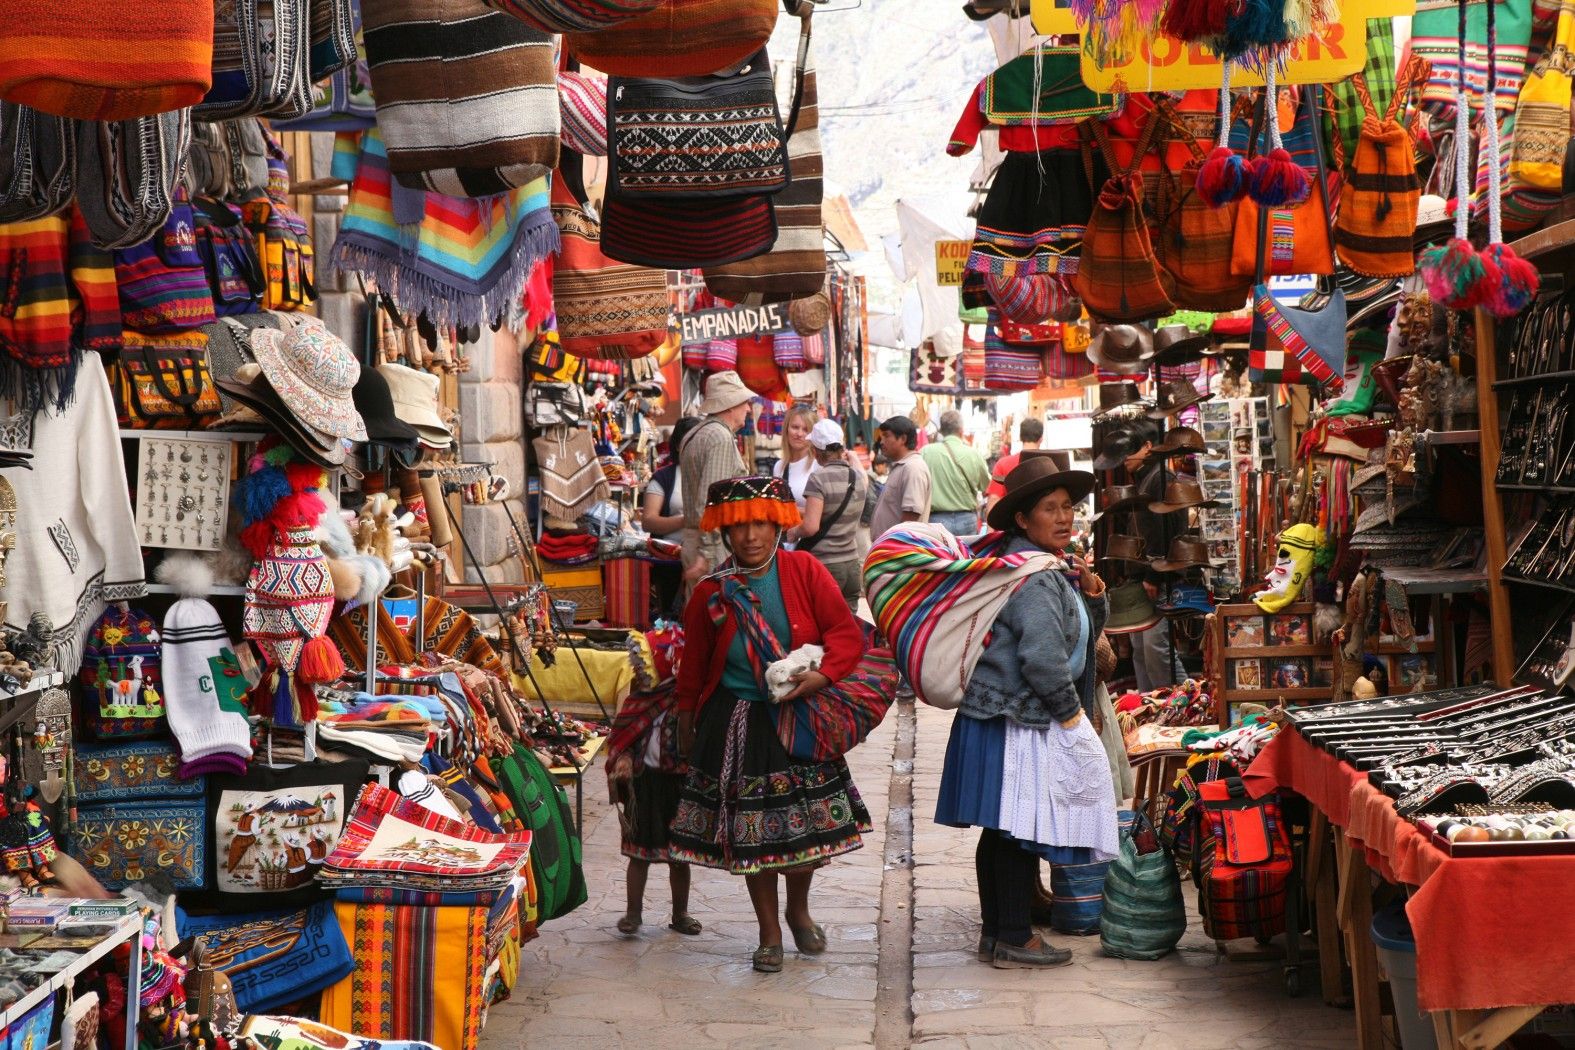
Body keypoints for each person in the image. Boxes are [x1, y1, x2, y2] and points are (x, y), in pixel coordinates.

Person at [668, 476, 872, 973]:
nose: (750, 535)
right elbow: (694, 665)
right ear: (725, 532)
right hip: (737, 721)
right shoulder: (711, 593)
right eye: (738, 526)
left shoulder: (805, 571)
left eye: (760, 522)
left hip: (800, 717)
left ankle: (798, 910)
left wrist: (822, 676)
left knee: (803, 830)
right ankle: (769, 931)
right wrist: (686, 719)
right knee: (752, 833)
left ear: (779, 523)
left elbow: (844, 633)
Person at [934, 452, 1118, 969]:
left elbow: (1075, 631)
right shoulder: (1034, 577)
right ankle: (1015, 936)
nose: (1064, 518)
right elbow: (1042, 658)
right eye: (1050, 509)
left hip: (996, 716)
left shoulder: (1035, 565)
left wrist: (1092, 594)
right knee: (1017, 830)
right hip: (1016, 719)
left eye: (1068, 507)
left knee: (1000, 830)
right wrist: (1072, 717)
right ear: (1022, 518)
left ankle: (998, 934)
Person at [605, 677, 700, 938]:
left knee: (678, 857)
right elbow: (623, 739)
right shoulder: (638, 703)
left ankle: (680, 914)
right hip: (644, 785)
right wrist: (623, 761)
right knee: (638, 855)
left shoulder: (688, 701)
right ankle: (633, 913)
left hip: (679, 784)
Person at [1120, 422, 1186, 691]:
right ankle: (1151, 704)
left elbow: (1163, 528)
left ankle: (1185, 700)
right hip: (1144, 577)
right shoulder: (1147, 478)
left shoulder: (1160, 478)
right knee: (1142, 649)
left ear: (1148, 447)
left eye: (1130, 450)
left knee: (1156, 648)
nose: (1124, 458)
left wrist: (1153, 574)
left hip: (1156, 577)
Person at [680, 371, 752, 591]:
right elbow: (710, 501)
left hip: (697, 541)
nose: (748, 409)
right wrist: (707, 554)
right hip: (712, 547)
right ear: (730, 405)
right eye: (744, 402)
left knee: (700, 608)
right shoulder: (719, 437)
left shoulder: (695, 433)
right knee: (718, 608)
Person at [791, 419, 869, 613]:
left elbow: (810, 527)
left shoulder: (818, 478)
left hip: (825, 565)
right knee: (849, 623)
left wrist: (792, 533)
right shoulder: (858, 477)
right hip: (852, 565)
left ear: (816, 451)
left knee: (824, 622)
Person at [644, 416, 703, 618]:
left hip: (702, 554)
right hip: (670, 560)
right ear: (678, 445)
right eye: (690, 441)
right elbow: (648, 521)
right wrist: (687, 520)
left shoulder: (710, 473)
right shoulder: (664, 477)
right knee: (672, 613)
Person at [921, 409, 991, 536]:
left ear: (941, 431)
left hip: (936, 520)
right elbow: (987, 486)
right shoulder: (973, 454)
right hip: (966, 519)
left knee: (940, 550)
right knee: (967, 549)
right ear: (961, 430)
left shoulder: (925, 452)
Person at [868, 416, 931, 540]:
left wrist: (895, 544)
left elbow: (910, 518)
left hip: (897, 548)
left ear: (903, 439)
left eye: (886, 436)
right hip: (888, 547)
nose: (881, 442)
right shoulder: (902, 466)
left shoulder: (913, 467)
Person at [983, 418, 1044, 519]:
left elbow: (994, 499)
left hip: (1012, 522)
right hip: (1043, 523)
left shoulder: (1003, 464)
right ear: (1041, 438)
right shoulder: (1049, 463)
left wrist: (992, 527)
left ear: (1020, 437)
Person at [772, 404, 821, 511]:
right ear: (786, 429)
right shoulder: (779, 466)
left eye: (806, 429)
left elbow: (825, 511)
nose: (799, 434)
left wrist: (790, 510)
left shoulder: (819, 465)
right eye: (795, 427)